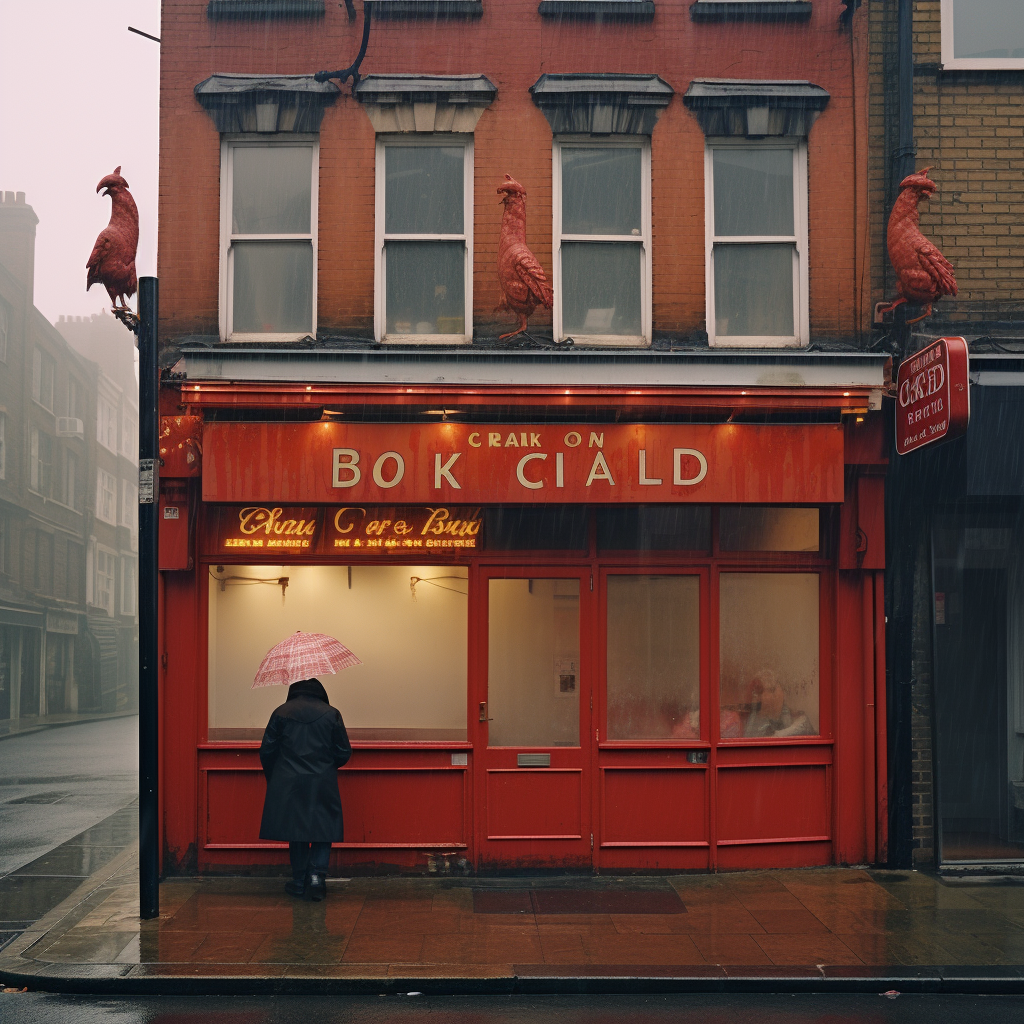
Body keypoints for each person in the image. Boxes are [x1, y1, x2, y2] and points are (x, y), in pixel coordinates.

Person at [259, 677, 351, 901]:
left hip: (288, 781)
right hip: (322, 780)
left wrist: (277, 776)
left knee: (295, 828)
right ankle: (317, 878)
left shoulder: (280, 712)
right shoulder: (332, 714)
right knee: (323, 826)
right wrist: (326, 767)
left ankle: (299, 880)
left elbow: (267, 751)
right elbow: (343, 751)